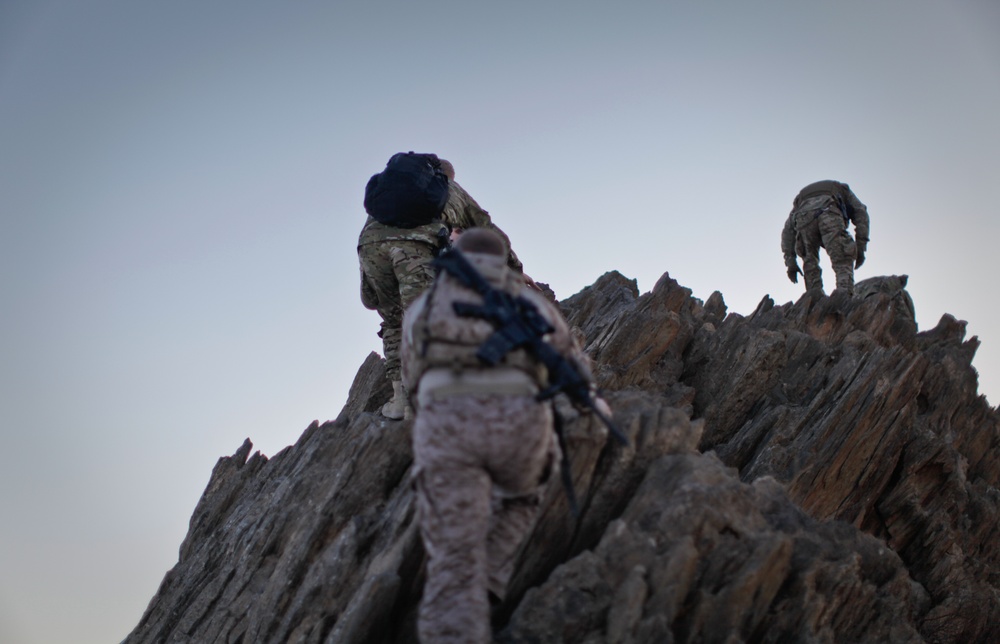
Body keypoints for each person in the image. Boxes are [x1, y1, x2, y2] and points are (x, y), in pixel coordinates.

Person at [401, 228, 605, 643]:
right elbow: (575, 370)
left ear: (455, 256)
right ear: (503, 261)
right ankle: (490, 578)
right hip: (521, 424)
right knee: (523, 494)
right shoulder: (531, 303)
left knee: (453, 561)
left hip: (447, 428)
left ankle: (461, 605)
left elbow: (412, 378)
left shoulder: (422, 305)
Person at [357, 212, 447, 420]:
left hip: (371, 249)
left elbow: (370, 301)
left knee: (393, 322)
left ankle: (400, 400)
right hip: (414, 248)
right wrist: (515, 268)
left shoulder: (384, 197)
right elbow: (483, 226)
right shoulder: (445, 190)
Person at [781, 180, 870, 296]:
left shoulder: (801, 199)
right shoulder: (843, 190)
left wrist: (790, 263)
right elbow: (861, 213)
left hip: (803, 218)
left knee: (810, 262)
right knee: (842, 260)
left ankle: (814, 298)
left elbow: (788, 231)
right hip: (829, 211)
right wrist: (861, 247)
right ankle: (844, 297)